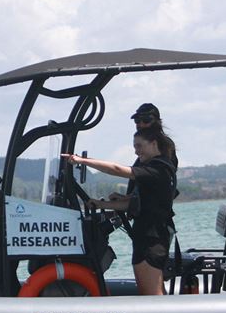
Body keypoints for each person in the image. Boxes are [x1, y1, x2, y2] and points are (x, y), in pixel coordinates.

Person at [62, 126, 178, 295]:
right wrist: (101, 205)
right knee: (148, 292)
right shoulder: (153, 169)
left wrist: (82, 161)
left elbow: (116, 169)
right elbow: (135, 204)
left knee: (152, 295)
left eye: (139, 146)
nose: (137, 152)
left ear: (153, 144)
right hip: (145, 237)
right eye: (134, 147)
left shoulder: (157, 170)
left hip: (152, 240)